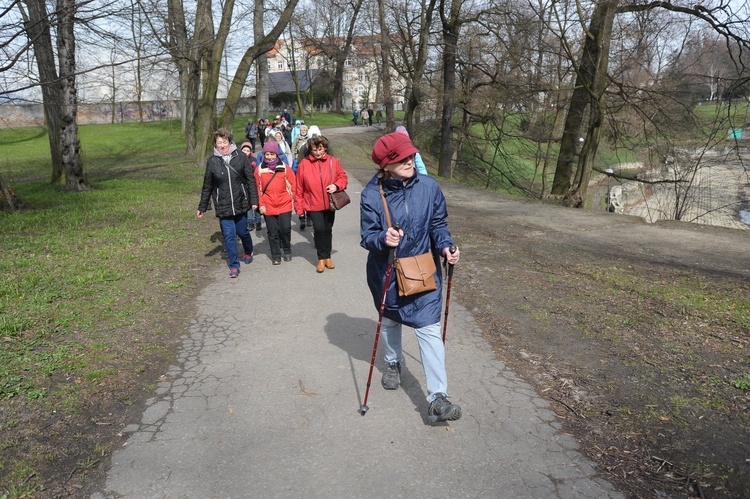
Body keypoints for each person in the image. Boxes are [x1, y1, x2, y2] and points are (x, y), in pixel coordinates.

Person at [359, 132, 461, 423]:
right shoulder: (371, 194)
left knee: (428, 328)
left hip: (423, 271)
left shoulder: (428, 186)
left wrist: (445, 246)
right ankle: (393, 363)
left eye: (410, 155)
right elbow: (367, 237)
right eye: (400, 158)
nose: (409, 160)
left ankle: (438, 397)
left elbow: (438, 224)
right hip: (387, 273)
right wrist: (383, 237)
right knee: (390, 320)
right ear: (385, 165)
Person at [197, 128, 257, 278]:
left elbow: (250, 180)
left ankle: (248, 250)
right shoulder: (212, 162)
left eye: (224, 142)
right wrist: (202, 207)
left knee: (242, 232)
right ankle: (234, 265)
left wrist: (254, 200)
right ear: (215, 145)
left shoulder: (241, 157)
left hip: (240, 203)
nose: (222, 145)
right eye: (219, 143)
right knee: (229, 236)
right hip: (223, 205)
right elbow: (207, 186)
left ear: (230, 142)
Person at [294, 135, 348, 273]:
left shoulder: (333, 161)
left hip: (330, 204)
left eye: (320, 149)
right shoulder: (304, 164)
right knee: (318, 229)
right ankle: (321, 257)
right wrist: (299, 208)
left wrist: (337, 186)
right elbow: (298, 188)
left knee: (328, 230)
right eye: (314, 150)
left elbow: (343, 177)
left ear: (325, 148)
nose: (318, 152)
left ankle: (328, 257)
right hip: (312, 204)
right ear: (310, 150)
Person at [255, 141, 296, 265]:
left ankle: (287, 250)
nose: (269, 157)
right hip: (268, 205)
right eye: (267, 154)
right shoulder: (259, 170)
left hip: (284, 204)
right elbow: (258, 189)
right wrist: (261, 205)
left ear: (276, 154)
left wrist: (291, 197)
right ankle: (276, 255)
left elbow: (293, 184)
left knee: (285, 229)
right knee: (272, 232)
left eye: (272, 154)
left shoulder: (284, 168)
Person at [240, 141, 263, 232]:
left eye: (247, 150)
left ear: (250, 152)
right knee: (248, 204)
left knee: (255, 204)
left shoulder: (253, 161)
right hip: (243, 185)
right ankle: (250, 221)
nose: (245, 152)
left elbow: (256, 171)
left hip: (253, 184)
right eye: (244, 150)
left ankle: (258, 221)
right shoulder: (238, 160)